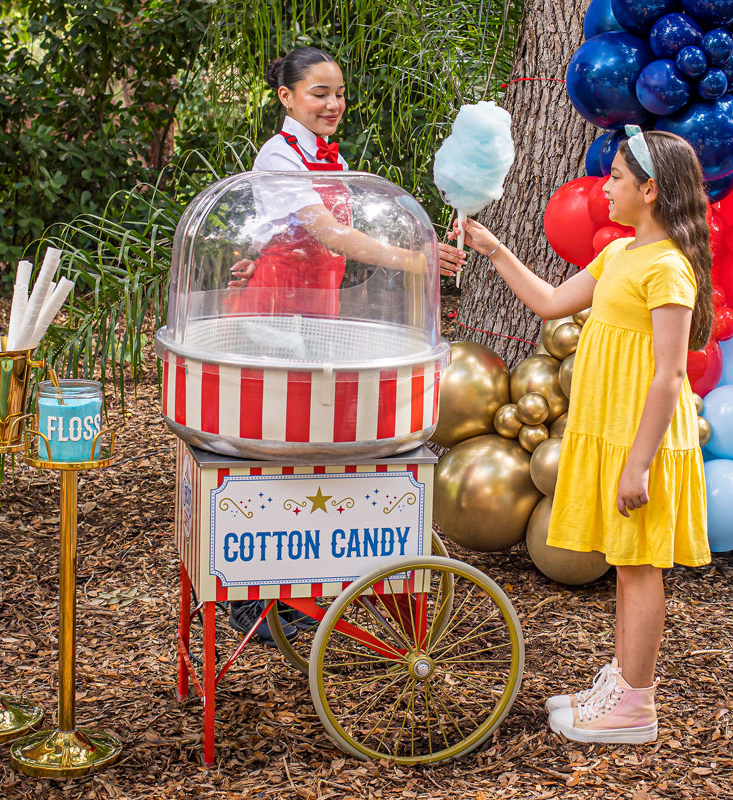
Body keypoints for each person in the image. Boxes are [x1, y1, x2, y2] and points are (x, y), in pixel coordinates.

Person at [457, 127, 712, 744]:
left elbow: (670, 374)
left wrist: (640, 464)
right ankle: (624, 682)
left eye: (618, 178)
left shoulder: (669, 269)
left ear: (650, 191)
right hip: (612, 434)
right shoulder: (620, 254)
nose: (607, 188)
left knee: (641, 566)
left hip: (642, 442)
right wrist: (494, 250)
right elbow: (548, 301)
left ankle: (637, 706)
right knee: (625, 565)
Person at [228, 46, 465, 644]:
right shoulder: (279, 155)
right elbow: (329, 233)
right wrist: (416, 259)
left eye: (338, 94)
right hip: (274, 311)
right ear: (286, 98)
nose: (333, 105)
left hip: (315, 311)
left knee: (309, 440)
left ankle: (299, 585)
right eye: (318, 94)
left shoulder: (328, 156)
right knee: (273, 444)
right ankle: (252, 598)